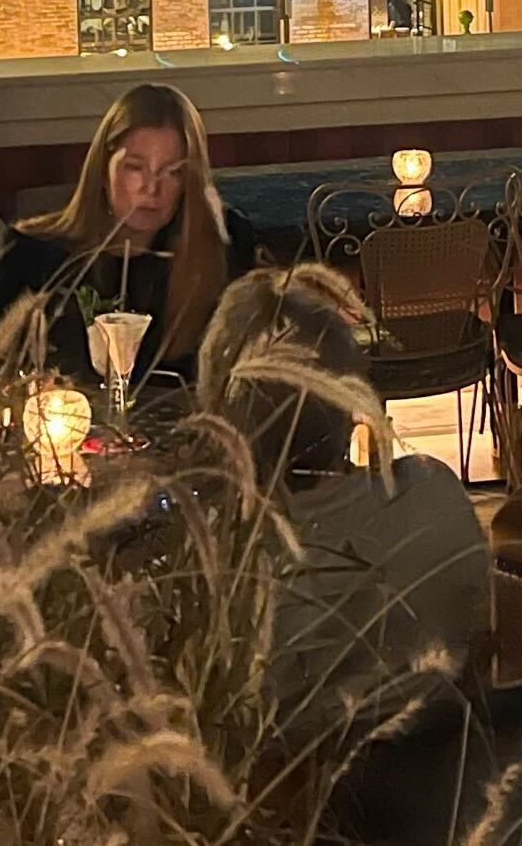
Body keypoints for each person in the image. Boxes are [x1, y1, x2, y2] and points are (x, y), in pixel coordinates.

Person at [199, 266, 489, 724]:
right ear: (350, 389)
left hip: (294, 795)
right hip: (450, 772)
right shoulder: (435, 492)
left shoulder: (219, 560)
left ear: (221, 411)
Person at [0, 81, 255, 395]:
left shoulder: (222, 254)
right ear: (103, 169)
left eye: (172, 172)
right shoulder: (36, 257)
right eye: (135, 168)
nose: (151, 188)